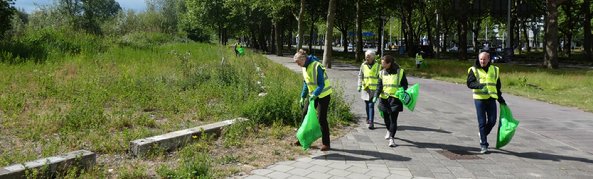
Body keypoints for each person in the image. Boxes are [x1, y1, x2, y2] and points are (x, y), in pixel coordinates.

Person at [293, 49, 333, 151]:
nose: (298, 65)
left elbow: (321, 84)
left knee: (321, 119)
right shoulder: (304, 67)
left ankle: (326, 144)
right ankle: (301, 138)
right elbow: (306, 83)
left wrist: (315, 94)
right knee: (304, 114)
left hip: (323, 95)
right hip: (312, 96)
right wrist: (303, 96)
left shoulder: (316, 66)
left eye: (298, 63)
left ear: (304, 59)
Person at [467, 52, 506, 154]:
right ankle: (484, 145)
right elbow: (470, 83)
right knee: (482, 122)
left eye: (484, 59)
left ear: (489, 59)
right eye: (480, 59)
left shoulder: (495, 70)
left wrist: (501, 99)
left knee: (492, 121)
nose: (482, 61)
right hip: (479, 98)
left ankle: (482, 133)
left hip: (491, 98)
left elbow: (497, 86)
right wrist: (480, 86)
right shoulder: (473, 69)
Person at [373, 55, 408, 147]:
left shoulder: (400, 72)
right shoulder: (381, 73)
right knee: (386, 119)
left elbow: (405, 84)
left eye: (384, 64)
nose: (382, 65)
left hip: (395, 99)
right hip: (384, 99)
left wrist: (402, 89)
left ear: (389, 63)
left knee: (393, 119)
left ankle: (392, 138)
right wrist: (375, 96)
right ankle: (388, 130)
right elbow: (379, 86)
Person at [357, 50, 380, 129]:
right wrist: (359, 85)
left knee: (371, 105)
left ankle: (371, 122)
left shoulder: (378, 66)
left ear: (373, 57)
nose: (367, 58)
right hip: (365, 89)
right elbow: (360, 75)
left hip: (374, 89)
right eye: (366, 56)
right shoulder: (363, 65)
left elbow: (381, 78)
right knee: (367, 104)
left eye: (369, 56)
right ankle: (368, 117)